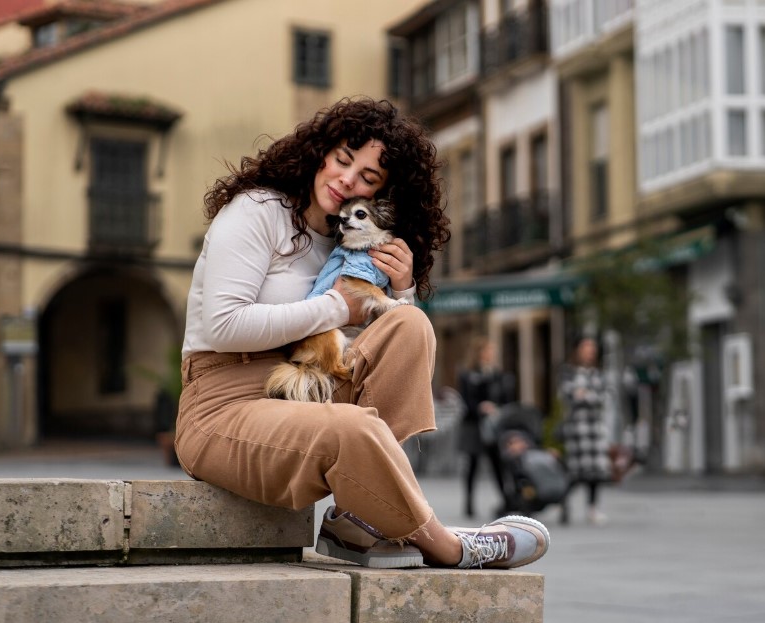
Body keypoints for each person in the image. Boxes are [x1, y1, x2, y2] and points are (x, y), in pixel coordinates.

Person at [176, 97, 549, 570]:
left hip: (305, 384)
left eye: (368, 178)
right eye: (343, 160)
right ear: (320, 152)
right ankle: (449, 546)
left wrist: (401, 289)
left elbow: (380, 347)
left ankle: (357, 524)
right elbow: (223, 326)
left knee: (410, 323)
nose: (348, 180)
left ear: (381, 197)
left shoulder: (349, 240)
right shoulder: (259, 210)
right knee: (352, 428)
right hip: (222, 406)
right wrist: (337, 305)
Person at [557, 336, 613, 525]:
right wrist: (587, 396)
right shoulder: (569, 372)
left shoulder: (598, 373)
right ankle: (562, 501)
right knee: (575, 472)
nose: (590, 352)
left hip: (595, 428)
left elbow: (603, 397)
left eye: (592, 348)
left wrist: (585, 395)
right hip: (577, 429)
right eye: (586, 347)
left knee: (596, 471)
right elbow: (568, 395)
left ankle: (592, 508)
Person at [456, 338, 514, 517]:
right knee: (473, 464)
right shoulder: (467, 374)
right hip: (474, 425)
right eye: (488, 350)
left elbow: (505, 398)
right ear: (480, 352)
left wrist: (495, 407)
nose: (491, 354)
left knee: (497, 463)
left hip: (493, 425)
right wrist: (480, 406)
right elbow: (465, 400)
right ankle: (469, 502)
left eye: (493, 350)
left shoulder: (497, 374)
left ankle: (505, 499)